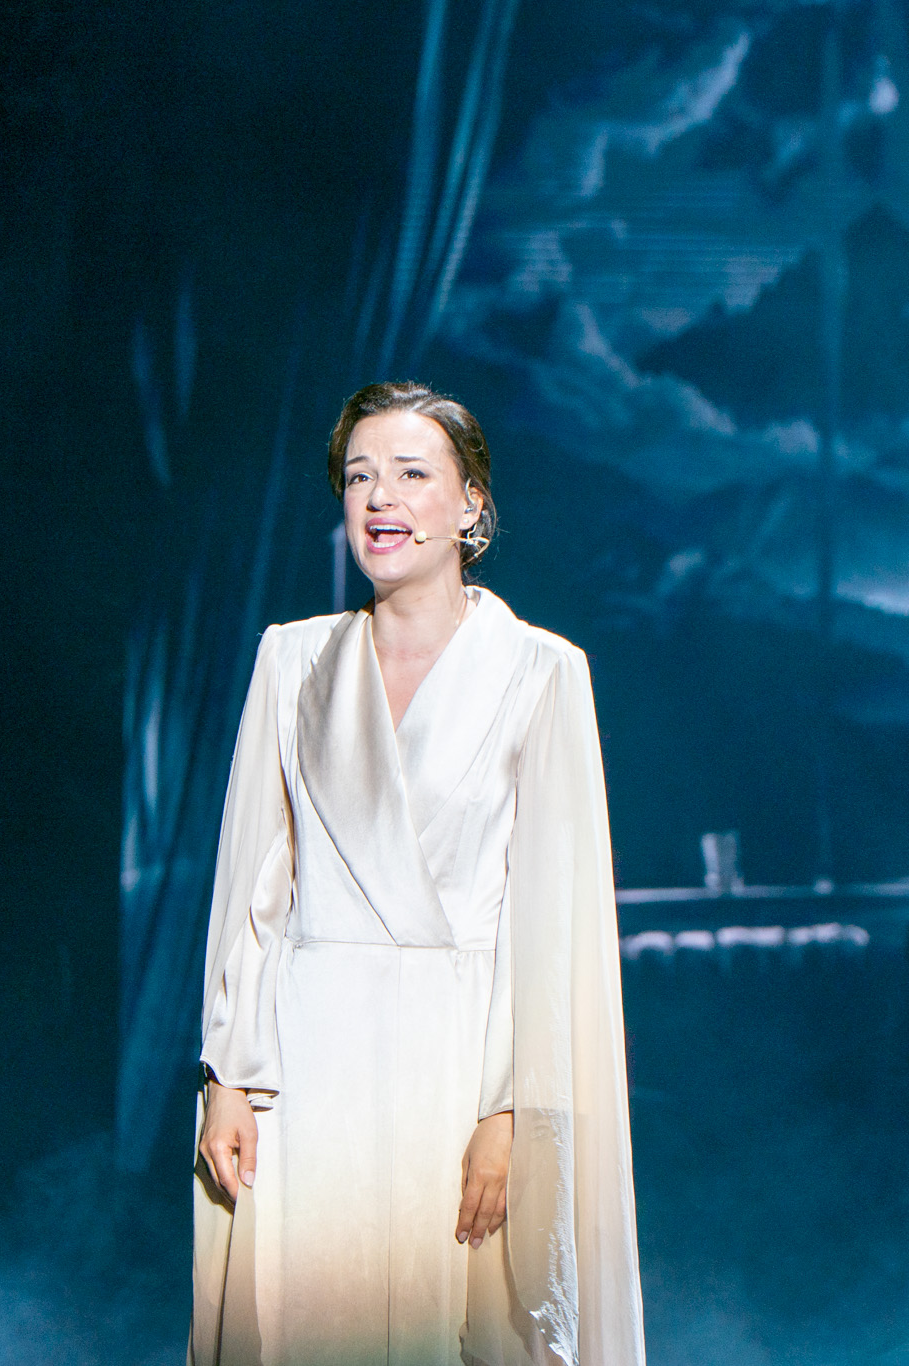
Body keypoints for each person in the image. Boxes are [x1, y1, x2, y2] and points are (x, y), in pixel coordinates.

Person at [189, 381, 646, 1366]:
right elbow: (253, 892)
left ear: (470, 502)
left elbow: (547, 921)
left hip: (457, 1063)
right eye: (359, 477)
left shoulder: (540, 672)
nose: (379, 498)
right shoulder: (291, 661)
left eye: (409, 473)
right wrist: (229, 1074)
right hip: (306, 1069)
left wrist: (510, 1111)